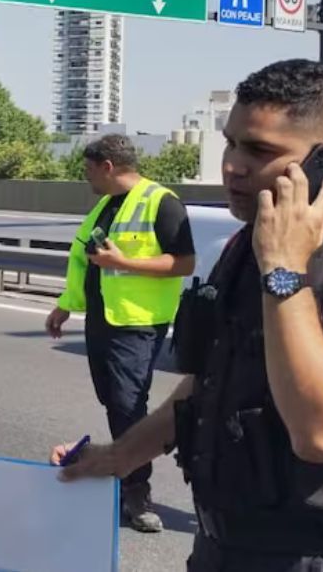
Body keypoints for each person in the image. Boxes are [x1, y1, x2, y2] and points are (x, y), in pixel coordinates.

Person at [52, 59, 323, 571]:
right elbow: (208, 381)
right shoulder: (248, 242)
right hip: (222, 547)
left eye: (261, 150)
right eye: (231, 143)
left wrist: (286, 270)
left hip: (320, 557)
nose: (233, 165)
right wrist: (119, 458)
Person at [46, 133, 196, 533]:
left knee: (128, 405)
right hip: (102, 319)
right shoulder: (104, 206)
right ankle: (122, 479)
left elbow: (184, 263)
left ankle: (136, 494)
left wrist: (124, 262)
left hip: (136, 322)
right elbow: (86, 263)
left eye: (89, 170)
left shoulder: (161, 202)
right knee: (115, 402)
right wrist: (65, 306)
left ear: (107, 166)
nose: (87, 177)